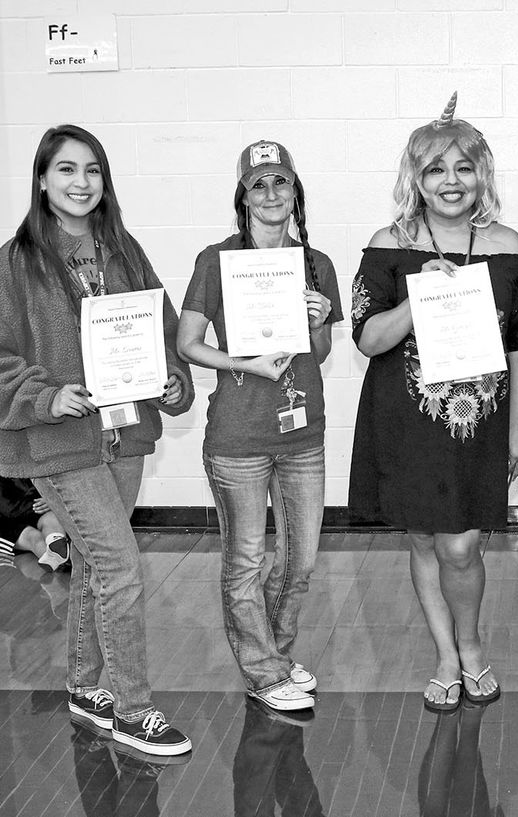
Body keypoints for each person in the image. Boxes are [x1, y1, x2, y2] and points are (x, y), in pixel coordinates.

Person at [0, 124, 194, 755]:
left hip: (124, 435)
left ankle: (85, 689)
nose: (81, 183)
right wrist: (45, 395)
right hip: (59, 442)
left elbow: (162, 329)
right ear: (41, 180)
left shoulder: (124, 250)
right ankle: (132, 708)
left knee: (90, 566)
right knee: (118, 565)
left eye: (92, 171)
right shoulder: (16, 262)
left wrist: (172, 378)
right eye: (66, 170)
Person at [348, 94, 518, 712]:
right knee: (425, 541)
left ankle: (474, 644)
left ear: (480, 174)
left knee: (462, 544)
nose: (450, 182)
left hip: (481, 423)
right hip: (406, 421)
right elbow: (366, 338)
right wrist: (416, 297)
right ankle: (444, 656)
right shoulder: (388, 243)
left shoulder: (508, 246)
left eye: (463, 167)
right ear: (417, 179)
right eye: (436, 169)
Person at [177, 141, 340, 713]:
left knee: (301, 561)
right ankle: (263, 671)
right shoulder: (215, 260)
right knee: (246, 560)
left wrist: (318, 322)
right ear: (243, 195)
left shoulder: (316, 263)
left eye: (281, 183)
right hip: (238, 439)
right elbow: (188, 342)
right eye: (259, 184)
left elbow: (317, 354)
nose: (271, 194)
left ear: (296, 192)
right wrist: (240, 362)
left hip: (302, 435)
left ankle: (275, 655)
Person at [0, 476, 71, 570]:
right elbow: (10, 509)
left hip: (28, 505)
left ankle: (56, 543)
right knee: (33, 537)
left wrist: (51, 499)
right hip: (5, 521)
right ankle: (63, 560)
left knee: (50, 518)